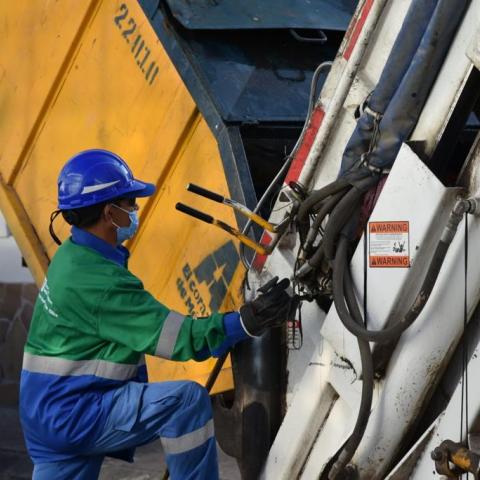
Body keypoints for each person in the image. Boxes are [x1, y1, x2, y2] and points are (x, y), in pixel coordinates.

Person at [19, 149, 293, 480]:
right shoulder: (100, 282)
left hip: (46, 412)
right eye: (130, 203)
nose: (135, 210)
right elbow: (181, 340)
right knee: (185, 402)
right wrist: (247, 322)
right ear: (110, 213)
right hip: (75, 413)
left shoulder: (72, 257)